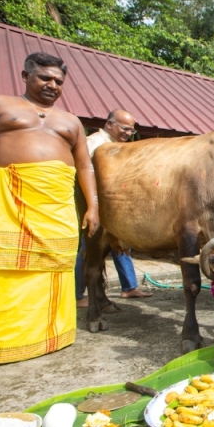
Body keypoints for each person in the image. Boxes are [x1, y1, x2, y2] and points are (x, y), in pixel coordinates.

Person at [0, 52, 99, 378]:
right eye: (45, 78)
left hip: (57, 206)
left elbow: (85, 166)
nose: (52, 85)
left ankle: (51, 337)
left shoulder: (71, 121)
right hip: (10, 201)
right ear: (25, 75)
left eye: (59, 81)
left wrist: (94, 205)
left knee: (54, 273)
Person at [74, 109, 151, 308]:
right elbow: (84, 176)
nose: (127, 133)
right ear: (109, 125)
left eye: (131, 131)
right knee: (88, 249)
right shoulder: (95, 144)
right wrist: (92, 205)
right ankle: (78, 294)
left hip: (116, 205)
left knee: (120, 245)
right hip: (94, 204)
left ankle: (129, 287)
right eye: (124, 128)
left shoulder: (120, 147)